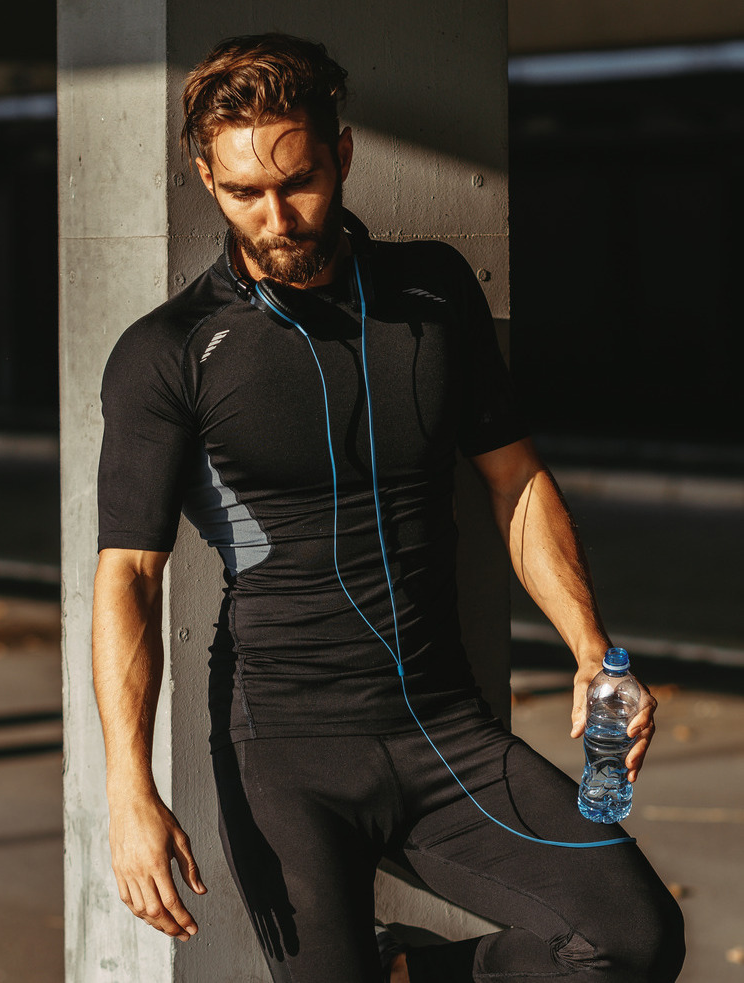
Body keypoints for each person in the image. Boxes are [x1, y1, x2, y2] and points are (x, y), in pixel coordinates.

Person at [92, 33, 684, 983]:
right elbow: (128, 572)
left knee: (636, 938)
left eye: (302, 181)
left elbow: (516, 481)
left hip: (444, 731)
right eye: (245, 191)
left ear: (345, 152)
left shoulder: (433, 290)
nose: (278, 217)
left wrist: (590, 649)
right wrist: (127, 787)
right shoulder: (171, 351)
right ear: (207, 176)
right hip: (283, 752)